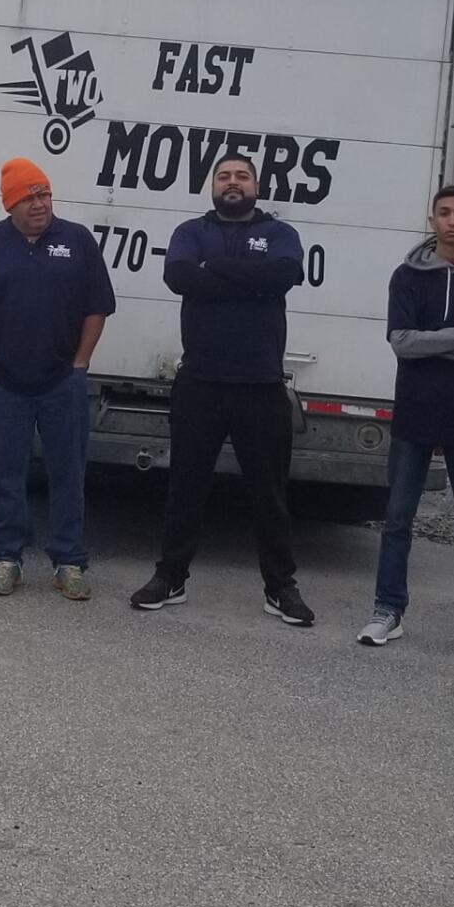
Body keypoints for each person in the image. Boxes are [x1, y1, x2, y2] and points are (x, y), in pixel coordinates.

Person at [131, 153, 314, 627]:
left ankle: (280, 587)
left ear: (257, 184)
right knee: (186, 487)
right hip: (200, 383)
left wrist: (215, 270)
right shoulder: (191, 232)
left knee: (270, 494)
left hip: (261, 385)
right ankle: (170, 577)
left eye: (242, 176)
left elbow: (284, 275)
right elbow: (179, 276)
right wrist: (246, 278)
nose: (233, 183)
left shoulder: (280, 234)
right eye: (224, 176)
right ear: (212, 186)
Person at [357, 185, 454, 659]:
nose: (452, 221)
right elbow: (403, 344)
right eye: (444, 213)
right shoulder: (406, 277)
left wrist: (441, 341)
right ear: (432, 221)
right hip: (415, 413)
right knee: (398, 518)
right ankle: (387, 610)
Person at [0, 157, 116, 599]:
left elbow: (96, 307)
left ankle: (68, 561)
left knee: (68, 472)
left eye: (43, 193)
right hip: (5, 381)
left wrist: (81, 361)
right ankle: (8, 558)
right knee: (6, 472)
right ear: (10, 205)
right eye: (28, 197)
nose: (39, 203)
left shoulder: (77, 241)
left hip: (63, 380)